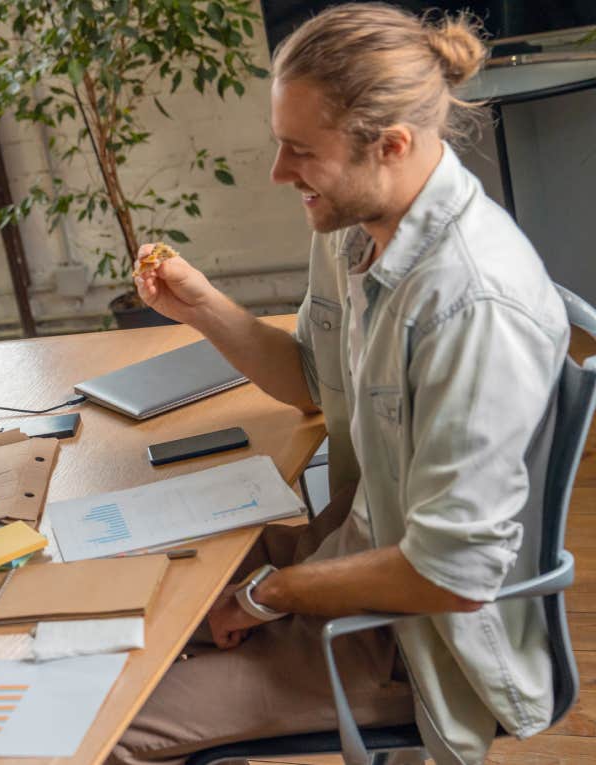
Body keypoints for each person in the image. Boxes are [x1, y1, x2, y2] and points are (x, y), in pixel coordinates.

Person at [111, 5, 569, 764]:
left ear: (389, 145)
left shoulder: (473, 306)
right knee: (125, 598)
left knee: (107, 726)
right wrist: (200, 306)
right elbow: (315, 387)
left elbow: (449, 573)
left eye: (299, 151)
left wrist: (270, 595)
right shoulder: (359, 227)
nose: (278, 173)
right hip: (344, 558)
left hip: (405, 636)